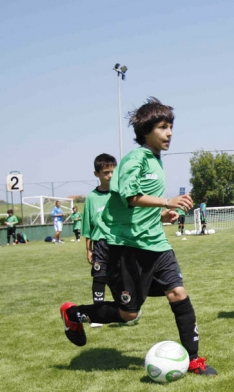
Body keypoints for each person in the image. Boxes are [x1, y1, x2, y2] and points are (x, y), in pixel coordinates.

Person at [58, 97, 216, 376]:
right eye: (163, 127)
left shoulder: (156, 161)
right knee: (128, 314)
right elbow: (129, 197)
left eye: (171, 127)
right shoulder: (135, 159)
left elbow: (137, 208)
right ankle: (74, 314)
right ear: (146, 132)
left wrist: (160, 217)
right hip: (127, 249)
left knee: (178, 293)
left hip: (156, 243)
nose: (170, 133)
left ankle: (193, 360)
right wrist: (167, 202)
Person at [82, 153, 118, 328]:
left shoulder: (119, 193)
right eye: (105, 172)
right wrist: (88, 249)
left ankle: (126, 311)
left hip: (118, 243)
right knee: (99, 277)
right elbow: (87, 226)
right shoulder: (91, 198)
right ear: (97, 174)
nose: (110, 175)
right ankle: (96, 315)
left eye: (112, 171)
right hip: (100, 245)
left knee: (120, 278)